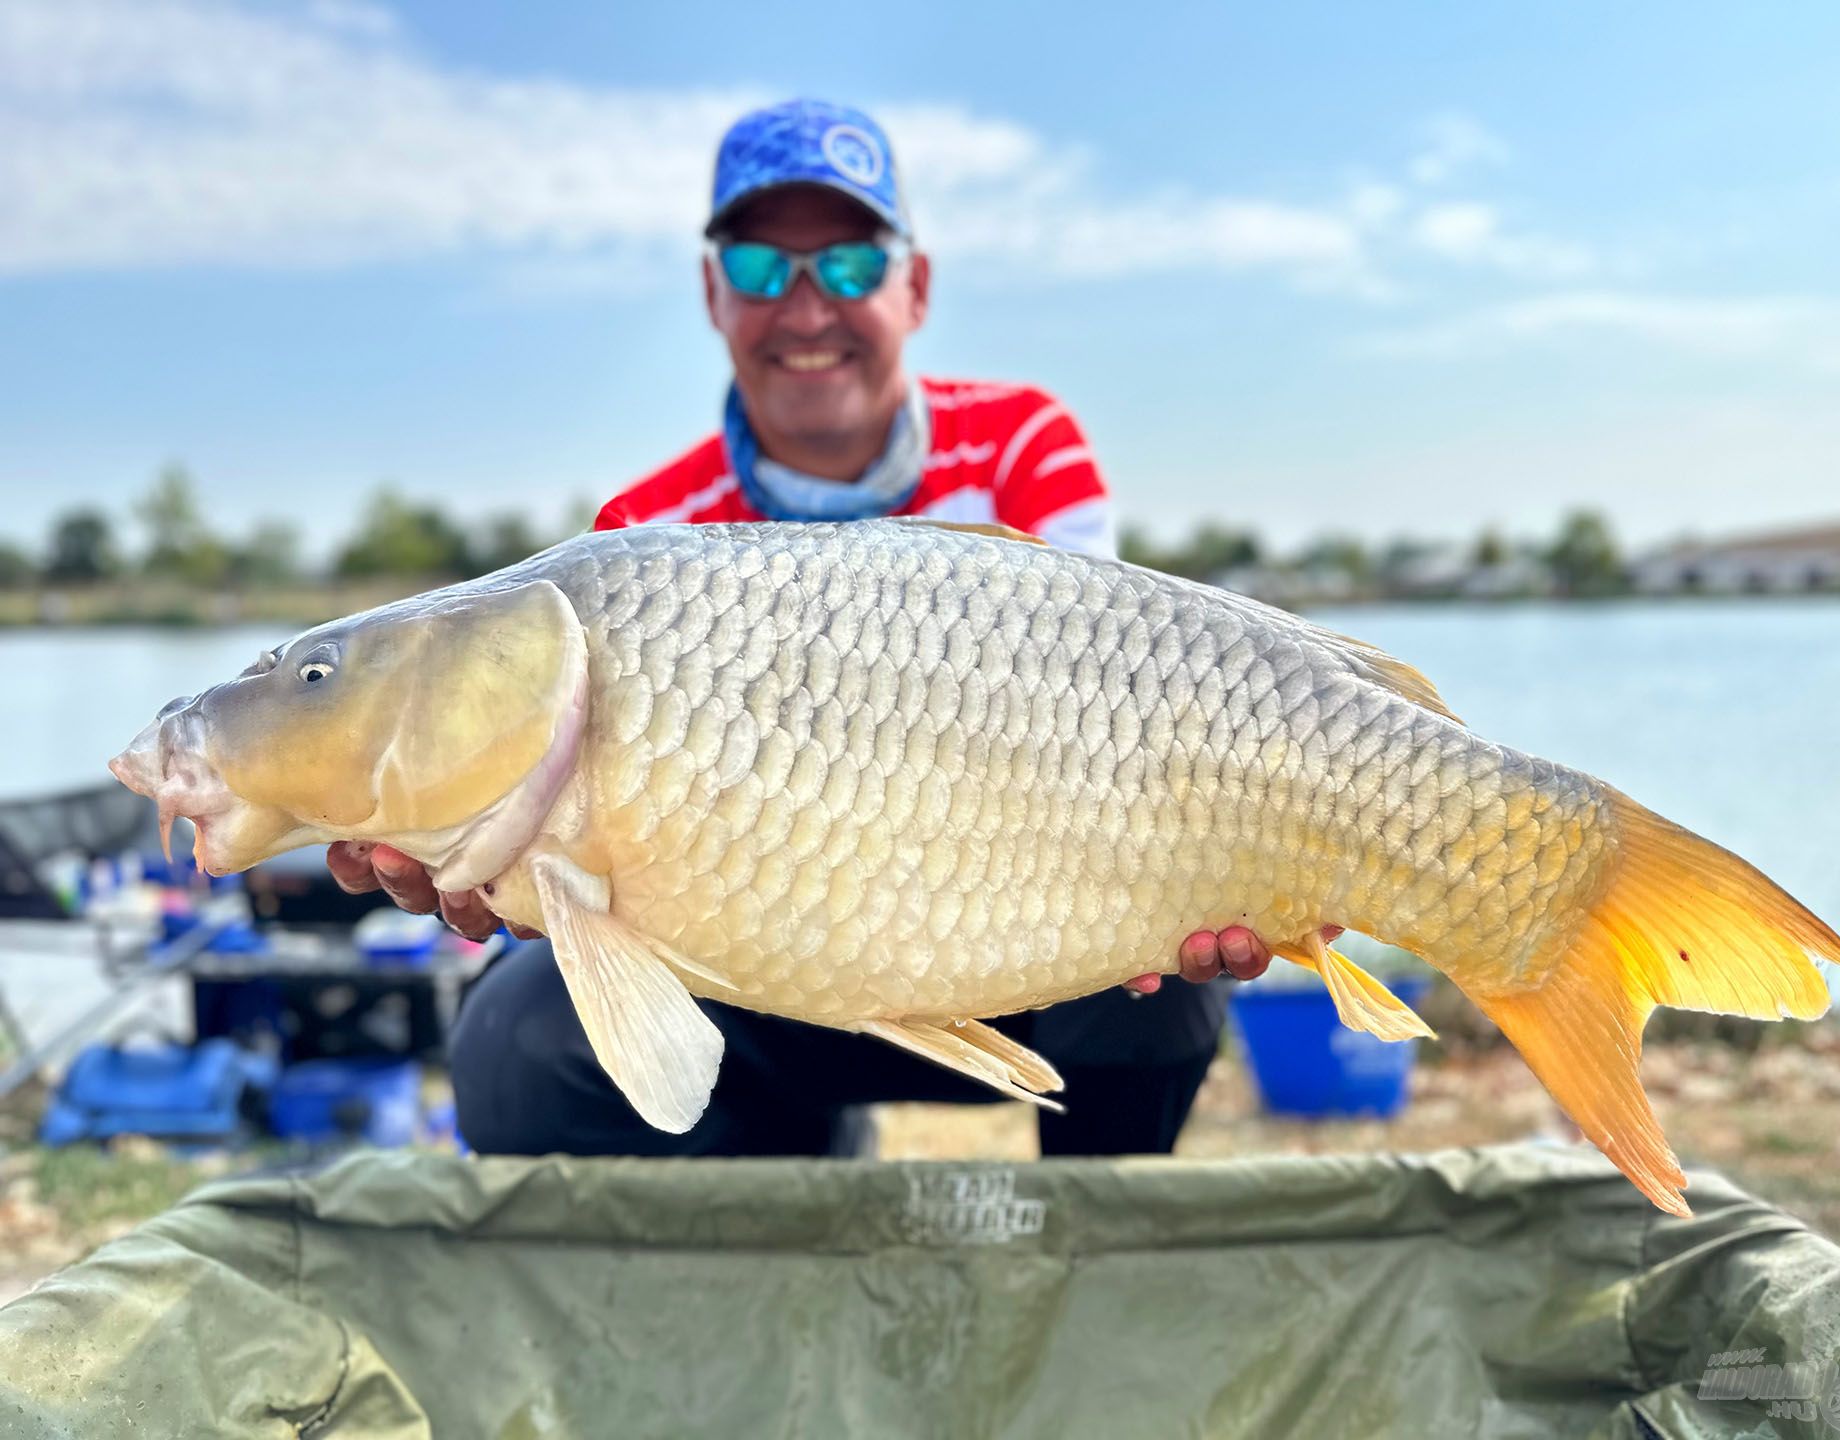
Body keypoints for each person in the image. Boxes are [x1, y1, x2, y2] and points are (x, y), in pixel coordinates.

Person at [328, 98, 1291, 1158]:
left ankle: (1086, 1261)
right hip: (765, 972)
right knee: (514, 1037)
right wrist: (505, 864)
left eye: (845, 266)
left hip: (1028, 946)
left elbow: (1118, 726)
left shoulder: (1027, 446)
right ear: (711, 292)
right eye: (758, 267)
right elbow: (593, 866)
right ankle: (780, 1200)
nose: (804, 307)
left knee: (1166, 980)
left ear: (913, 287)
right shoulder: (640, 536)